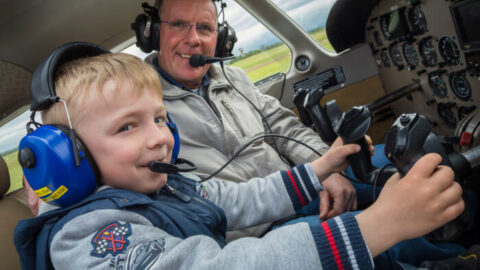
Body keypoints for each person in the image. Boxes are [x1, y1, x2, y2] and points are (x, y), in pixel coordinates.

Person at [15, 51, 464, 270]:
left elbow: (239, 198)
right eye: (127, 127)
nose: (160, 139)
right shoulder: (84, 237)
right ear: (64, 155)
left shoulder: (161, 186)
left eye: (159, 119)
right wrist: (377, 226)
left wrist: (320, 169)